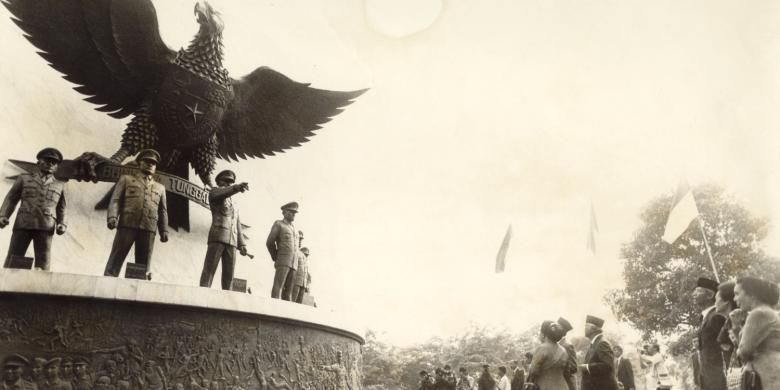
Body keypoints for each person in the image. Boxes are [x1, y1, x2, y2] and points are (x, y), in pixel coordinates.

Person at [103, 149, 169, 277]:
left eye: (153, 163)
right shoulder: (126, 180)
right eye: (147, 161)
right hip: (127, 224)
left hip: (148, 227)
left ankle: (136, 288)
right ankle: (108, 281)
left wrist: (164, 230)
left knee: (142, 266)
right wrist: (112, 216)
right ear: (139, 163)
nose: (150, 164)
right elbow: (115, 200)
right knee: (116, 258)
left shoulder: (160, 188)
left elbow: (162, 211)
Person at [1, 147, 67, 270]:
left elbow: (62, 208)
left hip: (46, 225)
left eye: (54, 162)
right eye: (47, 160)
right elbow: (11, 198)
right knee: (14, 258)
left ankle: (40, 287)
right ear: (38, 162)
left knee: (43, 262)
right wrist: (3, 215)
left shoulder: (60, 185)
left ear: (57, 166)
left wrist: (62, 223)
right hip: (24, 223)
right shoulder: (24, 179)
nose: (50, 164)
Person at [199, 170, 249, 290]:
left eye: (230, 182)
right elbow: (223, 193)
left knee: (229, 277)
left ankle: (227, 302)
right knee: (209, 271)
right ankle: (202, 297)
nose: (228, 184)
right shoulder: (214, 193)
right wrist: (236, 188)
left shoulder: (235, 204)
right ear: (218, 182)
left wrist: (241, 244)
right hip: (218, 237)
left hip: (232, 241)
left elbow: (237, 224)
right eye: (225, 181)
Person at [734, 276, 780, 388]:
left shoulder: (758, 314)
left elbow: (744, 351)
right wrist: (737, 326)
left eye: (737, 294)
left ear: (752, 295)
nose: (735, 299)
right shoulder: (768, 312)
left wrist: (739, 351)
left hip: (764, 374)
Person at [692, 277, 726, 390]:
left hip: (718, 380)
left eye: (698, 291)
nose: (693, 294)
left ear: (710, 295)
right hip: (707, 379)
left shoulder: (716, 316)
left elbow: (726, 347)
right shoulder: (704, 317)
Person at [266, 202, 300, 300]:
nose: (293, 214)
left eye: (295, 213)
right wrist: (275, 256)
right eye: (291, 212)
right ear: (284, 212)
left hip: (294, 263)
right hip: (283, 259)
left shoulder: (295, 229)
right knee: (278, 286)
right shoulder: (279, 224)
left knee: (289, 291)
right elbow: (269, 242)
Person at [578, 315, 618, 390]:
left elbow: (608, 365)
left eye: (586, 326)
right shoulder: (595, 343)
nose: (584, 328)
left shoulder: (602, 343)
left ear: (593, 328)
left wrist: (587, 367)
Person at [526, 320, 569, 390]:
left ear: (543, 334)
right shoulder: (564, 350)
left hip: (545, 387)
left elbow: (533, 371)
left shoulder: (542, 348)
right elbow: (567, 372)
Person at [714, 280, 738, 369]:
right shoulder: (727, 323)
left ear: (726, 301)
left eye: (717, 299)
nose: (715, 303)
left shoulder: (737, 321)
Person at [556, 317, 578, 390]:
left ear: (562, 330)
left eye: (557, 327)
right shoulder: (555, 344)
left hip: (568, 384)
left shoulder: (567, 345)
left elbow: (574, 367)